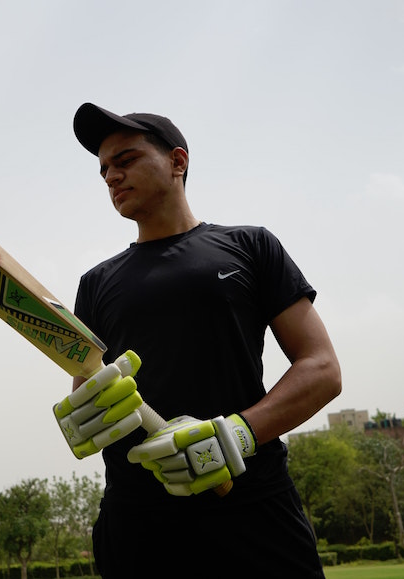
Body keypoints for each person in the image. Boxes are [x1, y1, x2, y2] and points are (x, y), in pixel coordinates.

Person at [53, 103, 342, 578]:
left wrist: (236, 435)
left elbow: (322, 369)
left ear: (177, 162)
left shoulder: (251, 246)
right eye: (104, 169)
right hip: (139, 519)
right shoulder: (95, 283)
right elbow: (89, 391)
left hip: (251, 504)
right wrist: (87, 414)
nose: (111, 176)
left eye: (125, 160)